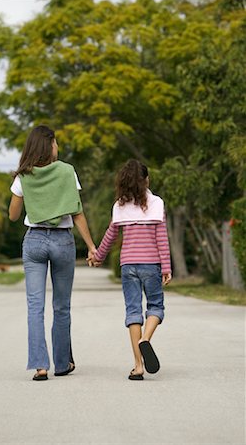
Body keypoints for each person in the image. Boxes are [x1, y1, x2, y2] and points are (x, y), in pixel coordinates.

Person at [9, 125, 96, 381]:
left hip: (34, 241)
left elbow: (13, 216)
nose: (58, 146)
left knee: (35, 307)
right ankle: (62, 364)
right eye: (56, 142)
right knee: (62, 307)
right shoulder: (67, 171)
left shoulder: (23, 176)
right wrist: (91, 246)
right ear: (49, 145)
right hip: (62, 242)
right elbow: (77, 212)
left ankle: (40, 366)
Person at [89, 159, 172, 380]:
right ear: (145, 180)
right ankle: (146, 340)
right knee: (155, 306)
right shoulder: (157, 203)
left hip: (128, 266)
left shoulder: (119, 206)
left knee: (133, 312)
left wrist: (98, 256)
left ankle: (137, 367)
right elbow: (161, 238)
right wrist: (166, 267)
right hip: (151, 264)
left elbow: (110, 235)